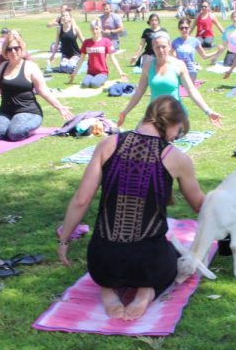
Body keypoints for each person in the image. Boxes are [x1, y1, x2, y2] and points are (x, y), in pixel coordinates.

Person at [58, 96, 206, 320]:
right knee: (173, 255)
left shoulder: (108, 144)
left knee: (112, 262)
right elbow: (199, 206)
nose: (176, 137)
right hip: (149, 264)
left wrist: (64, 241)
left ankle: (108, 290)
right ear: (173, 124)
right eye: (179, 131)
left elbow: (81, 200)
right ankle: (145, 291)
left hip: (102, 262)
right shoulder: (177, 158)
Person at [117, 31, 222, 127]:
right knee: (138, 135)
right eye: (157, 47)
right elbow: (139, 91)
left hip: (174, 114)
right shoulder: (147, 66)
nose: (161, 50)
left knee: (157, 139)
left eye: (163, 46)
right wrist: (125, 112)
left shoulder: (179, 65)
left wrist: (208, 111)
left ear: (169, 46)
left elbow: (191, 90)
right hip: (154, 114)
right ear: (153, 48)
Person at [0, 34, 72, 141]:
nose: (13, 51)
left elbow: (43, 91)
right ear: (5, 52)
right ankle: (13, 123)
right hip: (6, 111)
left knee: (15, 134)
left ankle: (28, 127)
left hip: (28, 111)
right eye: (9, 49)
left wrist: (60, 107)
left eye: (16, 48)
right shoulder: (3, 66)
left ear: (21, 49)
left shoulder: (31, 67)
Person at [69, 20, 127, 88]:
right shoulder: (86, 42)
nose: (95, 31)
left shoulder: (106, 41)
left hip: (102, 72)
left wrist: (120, 72)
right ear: (90, 30)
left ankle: (101, 80)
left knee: (94, 84)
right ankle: (93, 80)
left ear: (100, 29)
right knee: (84, 85)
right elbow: (81, 58)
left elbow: (112, 58)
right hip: (90, 73)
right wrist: (74, 73)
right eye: (93, 29)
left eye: (97, 29)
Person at [172, 18, 219, 82]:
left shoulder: (195, 41)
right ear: (179, 29)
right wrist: (176, 59)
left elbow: (204, 56)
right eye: (181, 28)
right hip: (179, 70)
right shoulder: (175, 42)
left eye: (186, 28)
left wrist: (217, 52)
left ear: (189, 28)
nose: (184, 30)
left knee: (189, 90)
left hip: (191, 71)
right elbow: (170, 54)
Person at [48, 9, 83, 74]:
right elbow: (56, 43)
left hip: (75, 53)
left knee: (70, 66)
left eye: (66, 15)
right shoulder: (59, 29)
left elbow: (84, 42)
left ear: (70, 18)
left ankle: (77, 63)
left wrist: (88, 53)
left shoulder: (75, 28)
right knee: (63, 67)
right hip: (65, 54)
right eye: (63, 16)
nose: (64, 17)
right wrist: (53, 55)